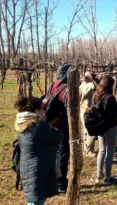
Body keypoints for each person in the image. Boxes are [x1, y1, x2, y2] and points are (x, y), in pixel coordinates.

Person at [14, 96, 64, 205]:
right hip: (38, 165)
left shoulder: (23, 122)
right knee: (38, 199)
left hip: (28, 163)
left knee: (32, 198)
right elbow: (57, 137)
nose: (45, 112)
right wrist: (55, 129)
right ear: (37, 111)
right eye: (43, 109)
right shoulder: (37, 125)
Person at [92, 76, 117, 185]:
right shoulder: (110, 98)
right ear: (110, 85)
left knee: (102, 150)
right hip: (110, 127)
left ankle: (99, 175)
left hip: (100, 127)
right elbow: (115, 112)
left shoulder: (96, 95)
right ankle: (108, 177)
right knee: (110, 151)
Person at [47, 63, 71, 193]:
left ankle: (52, 180)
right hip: (62, 128)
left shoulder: (51, 85)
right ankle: (61, 183)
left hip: (50, 126)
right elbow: (69, 110)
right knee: (62, 155)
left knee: (52, 154)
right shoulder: (66, 89)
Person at [79, 71, 97, 157]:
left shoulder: (81, 85)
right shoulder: (91, 86)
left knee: (85, 130)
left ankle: (86, 149)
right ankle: (89, 150)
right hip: (88, 110)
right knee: (91, 130)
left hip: (82, 109)